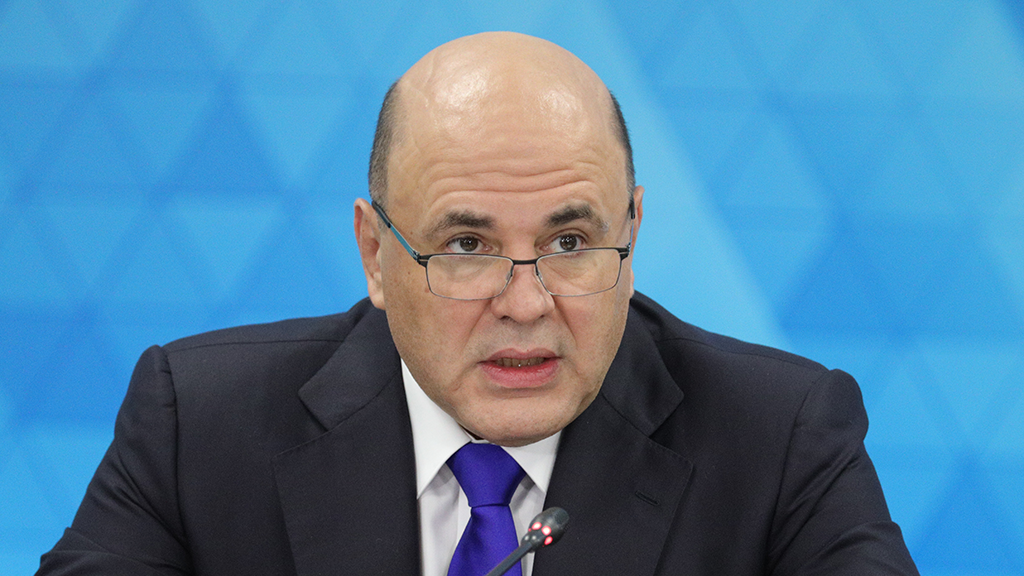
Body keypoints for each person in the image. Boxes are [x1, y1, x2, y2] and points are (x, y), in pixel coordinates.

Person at [37, 32, 919, 575]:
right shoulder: (199, 425)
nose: (526, 304)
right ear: (375, 254)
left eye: (570, 244)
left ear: (632, 234)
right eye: (467, 246)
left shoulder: (782, 438)